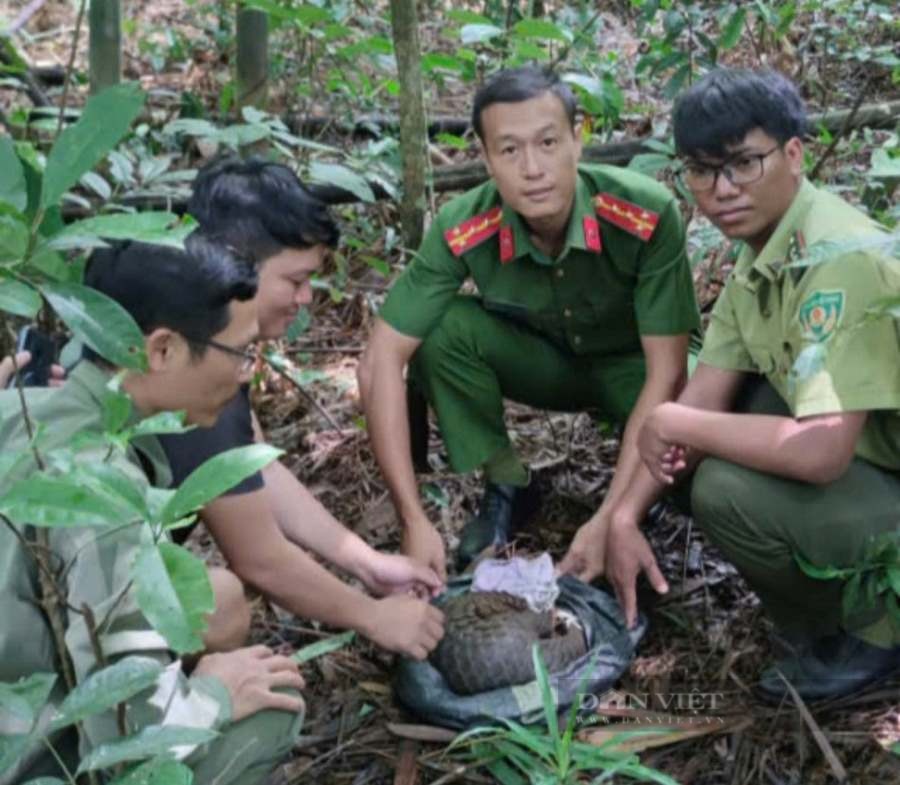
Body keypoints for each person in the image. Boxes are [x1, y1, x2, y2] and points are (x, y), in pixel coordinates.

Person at [615, 68, 900, 701]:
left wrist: (679, 426)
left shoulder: (836, 257)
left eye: (744, 164)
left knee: (718, 485)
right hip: (875, 462)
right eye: (702, 171)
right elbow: (705, 394)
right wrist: (622, 518)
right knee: (711, 434)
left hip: (872, 471)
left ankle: (878, 630)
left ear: (794, 154)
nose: (722, 191)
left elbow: (821, 450)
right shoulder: (763, 254)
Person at [357, 66, 700, 575]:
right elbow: (378, 361)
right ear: (486, 156)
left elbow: (667, 374)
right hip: (548, 365)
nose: (533, 168)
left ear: (577, 140)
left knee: (698, 425)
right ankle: (508, 484)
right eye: (510, 150)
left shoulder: (642, 213)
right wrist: (413, 519)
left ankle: (640, 507)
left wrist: (610, 516)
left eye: (547, 142)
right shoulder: (465, 226)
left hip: (639, 375)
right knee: (440, 329)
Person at [0, 239, 305, 785]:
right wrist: (212, 696)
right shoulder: (103, 490)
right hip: (22, 749)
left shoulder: (22, 406)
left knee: (219, 603)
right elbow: (128, 739)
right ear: (161, 350)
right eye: (239, 352)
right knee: (274, 703)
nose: (245, 374)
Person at [157, 158, 445, 661]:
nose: (307, 297)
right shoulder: (193, 365)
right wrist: (372, 616)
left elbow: (246, 469)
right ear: (235, 264)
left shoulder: (199, 324)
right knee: (220, 604)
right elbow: (259, 560)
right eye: (295, 280)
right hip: (64, 590)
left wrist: (365, 563)